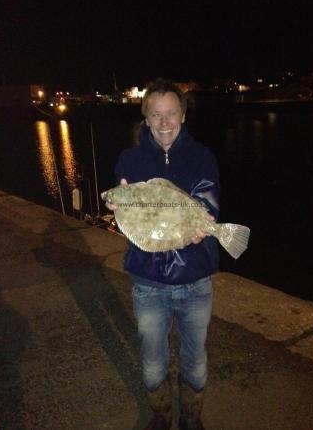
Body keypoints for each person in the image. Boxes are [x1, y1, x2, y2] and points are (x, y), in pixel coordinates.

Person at [107, 79, 220, 430]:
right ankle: (161, 414)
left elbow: (207, 203)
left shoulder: (202, 157)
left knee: (195, 360)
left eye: (171, 113)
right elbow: (134, 221)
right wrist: (118, 206)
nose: (164, 122)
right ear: (146, 118)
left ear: (183, 116)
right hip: (148, 281)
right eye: (156, 114)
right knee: (153, 363)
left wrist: (203, 223)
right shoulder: (129, 159)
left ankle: (192, 418)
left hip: (195, 278)